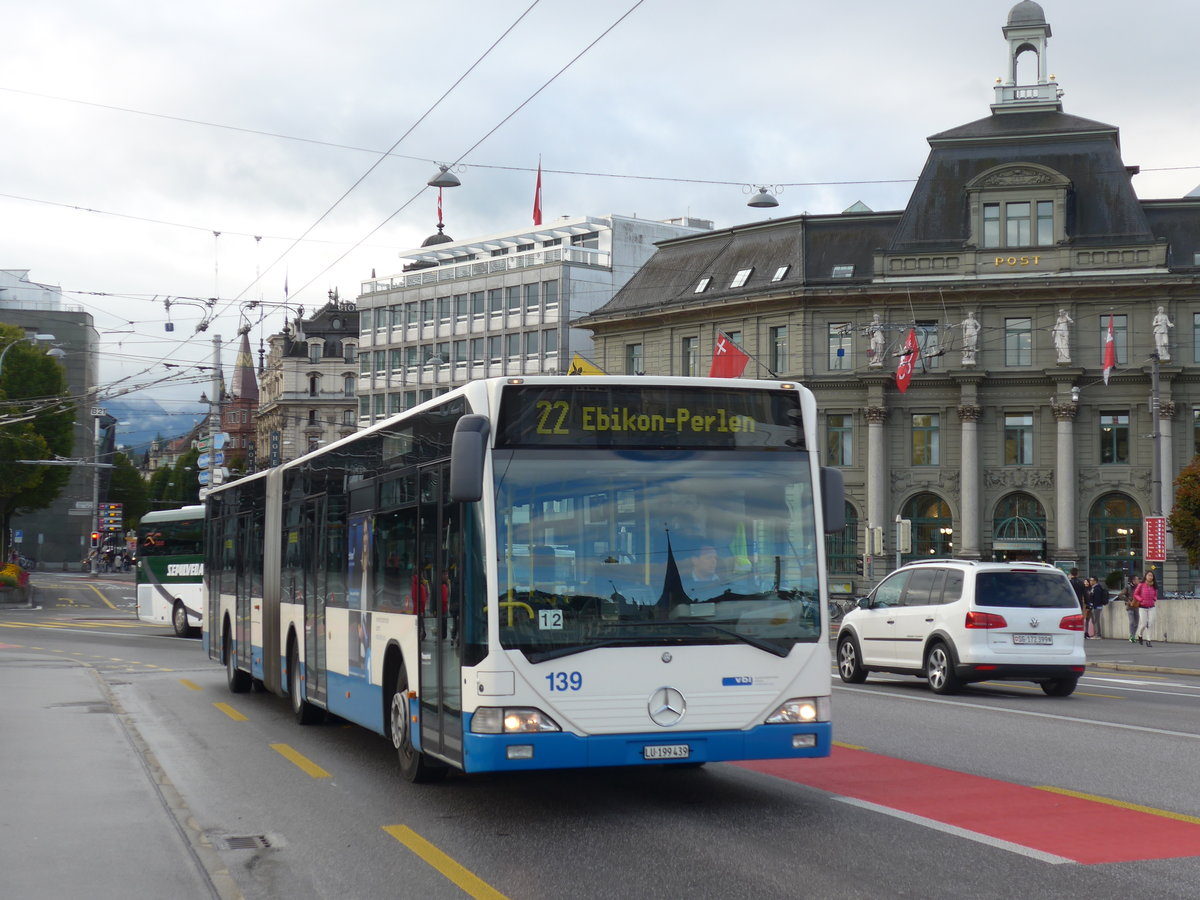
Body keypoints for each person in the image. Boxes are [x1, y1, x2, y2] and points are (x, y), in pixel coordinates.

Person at [1133, 570, 1159, 647]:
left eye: (1151, 576)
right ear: (1146, 576)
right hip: (1142, 607)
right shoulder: (1141, 585)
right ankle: (1140, 634)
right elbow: (1135, 594)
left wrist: (1154, 599)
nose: (1150, 577)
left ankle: (1148, 640)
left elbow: (1155, 594)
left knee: (1150, 623)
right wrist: (1141, 600)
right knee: (1144, 624)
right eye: (1149, 575)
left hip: (1151, 606)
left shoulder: (1154, 585)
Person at [1120, 574, 1141, 642]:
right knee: (1132, 622)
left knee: (1136, 622)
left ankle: (1133, 635)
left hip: (1136, 606)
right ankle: (1132, 636)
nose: (1138, 580)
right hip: (1130, 607)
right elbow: (1120, 595)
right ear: (1133, 580)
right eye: (1137, 579)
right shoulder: (1128, 587)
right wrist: (1128, 600)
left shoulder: (1139, 587)